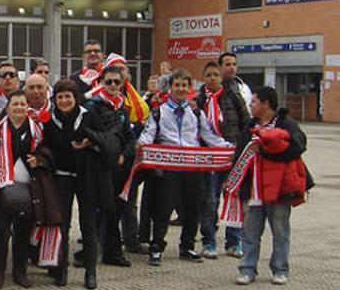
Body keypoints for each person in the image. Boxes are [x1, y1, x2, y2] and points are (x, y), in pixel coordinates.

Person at [137, 69, 233, 267]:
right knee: (163, 208)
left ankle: (187, 246)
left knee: (193, 208)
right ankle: (157, 247)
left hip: (192, 167)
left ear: (189, 88)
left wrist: (228, 148)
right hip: (169, 166)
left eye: (184, 86)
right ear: (170, 88)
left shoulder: (196, 112)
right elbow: (149, 133)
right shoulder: (159, 112)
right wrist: (142, 143)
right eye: (177, 85)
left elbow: (210, 137)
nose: (180, 89)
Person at [229, 87, 308, 286]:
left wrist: (268, 152)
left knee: (280, 231)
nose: (250, 105)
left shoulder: (286, 124)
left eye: (254, 102)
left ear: (265, 104)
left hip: (279, 188)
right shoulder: (249, 126)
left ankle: (280, 269)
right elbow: (239, 155)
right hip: (253, 189)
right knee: (250, 231)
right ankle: (247, 269)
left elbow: (298, 147)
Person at [42, 80, 110, 290]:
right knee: (62, 225)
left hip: (86, 176)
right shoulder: (50, 121)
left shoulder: (88, 116)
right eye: (60, 97)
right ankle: (61, 270)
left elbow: (105, 140)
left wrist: (90, 141)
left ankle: (91, 272)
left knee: (88, 224)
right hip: (62, 177)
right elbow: (46, 147)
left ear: (75, 97)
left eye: (68, 96)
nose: (64, 100)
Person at [0, 90, 43, 290]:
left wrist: (40, 160)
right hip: (1, 187)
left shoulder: (37, 129)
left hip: (28, 187)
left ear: (27, 107)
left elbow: (44, 153)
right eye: (15, 104)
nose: (18, 107)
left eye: (22, 104)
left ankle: (20, 271)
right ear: (7, 108)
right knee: (1, 231)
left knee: (23, 231)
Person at [195, 61, 250, 260]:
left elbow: (246, 125)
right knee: (209, 200)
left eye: (215, 74)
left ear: (221, 77)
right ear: (203, 77)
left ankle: (234, 242)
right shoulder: (199, 100)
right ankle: (209, 242)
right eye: (208, 74)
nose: (212, 78)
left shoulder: (233, 98)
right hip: (209, 158)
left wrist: (242, 150)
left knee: (233, 199)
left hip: (232, 157)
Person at [84, 65, 137, 268]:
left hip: (118, 167)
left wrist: (124, 154)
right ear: (101, 83)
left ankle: (112, 252)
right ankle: (88, 251)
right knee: (96, 211)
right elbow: (86, 132)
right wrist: (106, 148)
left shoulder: (122, 108)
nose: (113, 85)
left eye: (117, 81)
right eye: (109, 82)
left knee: (114, 210)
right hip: (98, 165)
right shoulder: (92, 106)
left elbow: (130, 138)